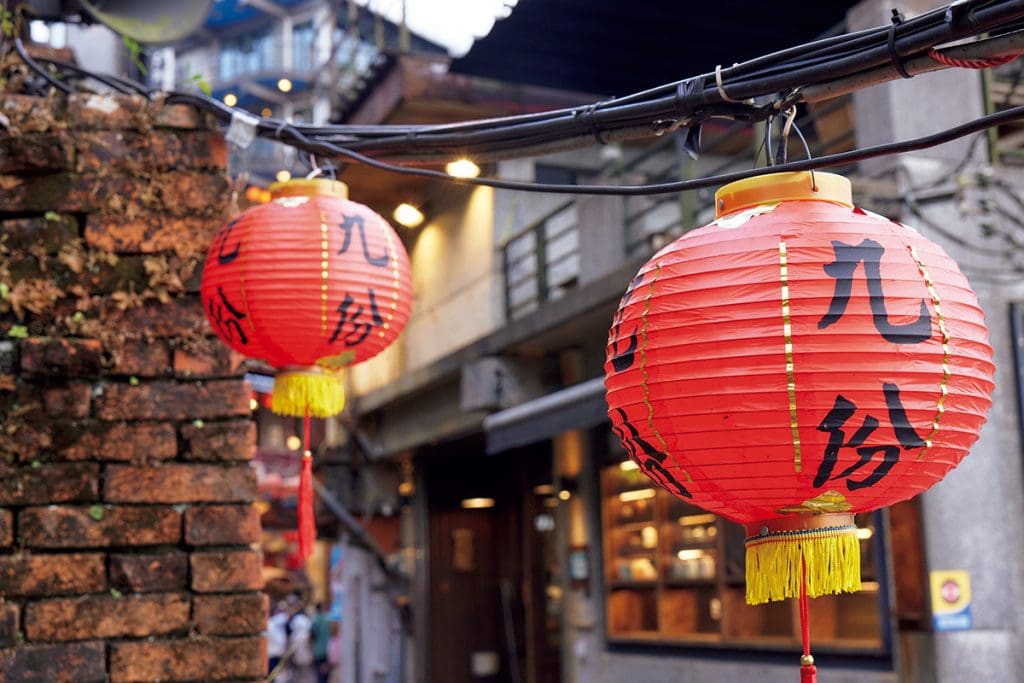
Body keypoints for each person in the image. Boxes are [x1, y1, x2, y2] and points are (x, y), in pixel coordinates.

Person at [266, 602, 289, 680]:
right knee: (274, 676)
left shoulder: (272, 623)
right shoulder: (272, 623)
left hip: (274, 654)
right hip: (273, 654)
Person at [310, 603, 332, 683]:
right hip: (328, 650)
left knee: (319, 675)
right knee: (326, 674)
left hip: (318, 651)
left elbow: (312, 636)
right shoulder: (328, 619)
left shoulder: (315, 621)